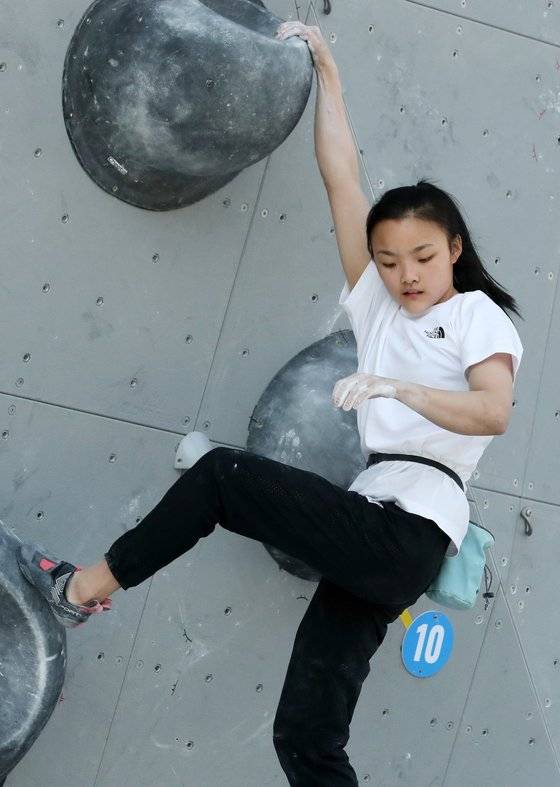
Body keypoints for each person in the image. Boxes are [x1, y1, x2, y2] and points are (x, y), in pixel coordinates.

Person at [16, 20, 524, 787]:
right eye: (390, 260)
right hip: (381, 534)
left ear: (454, 249)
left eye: (423, 256)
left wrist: (399, 389)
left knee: (224, 477)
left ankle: (80, 592)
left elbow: (493, 412)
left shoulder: (477, 315)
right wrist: (328, 74)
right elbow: (342, 179)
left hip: (408, 528)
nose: (406, 273)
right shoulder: (380, 309)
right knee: (306, 739)